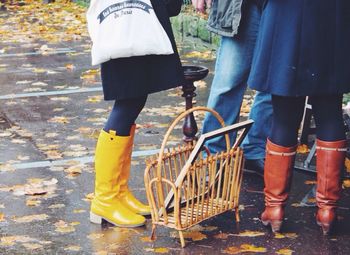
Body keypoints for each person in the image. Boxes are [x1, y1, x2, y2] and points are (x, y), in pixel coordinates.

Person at [248, 0, 350, 235]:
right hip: (331, 19)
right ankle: (327, 210)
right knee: (330, 113)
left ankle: (274, 209)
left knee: (284, 117)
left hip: (286, 18)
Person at [89, 0, 184, 228]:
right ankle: (105, 199)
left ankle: (118, 193)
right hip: (126, 21)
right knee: (127, 102)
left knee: (134, 99)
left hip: (137, 21)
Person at [192, 0, 273, 176]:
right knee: (227, 84)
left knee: (273, 84)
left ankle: (255, 150)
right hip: (243, 6)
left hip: (283, 9)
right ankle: (213, 157)